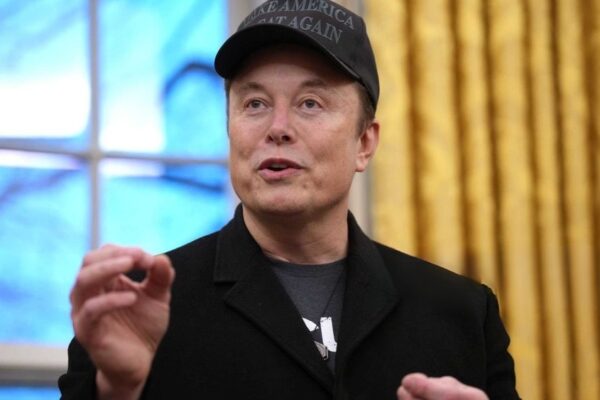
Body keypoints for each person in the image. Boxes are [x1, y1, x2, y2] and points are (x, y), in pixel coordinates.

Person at [59, 1, 520, 399]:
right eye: (254, 104)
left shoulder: (462, 314)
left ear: (364, 143)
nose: (277, 128)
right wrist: (117, 390)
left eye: (310, 103)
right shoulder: (136, 309)